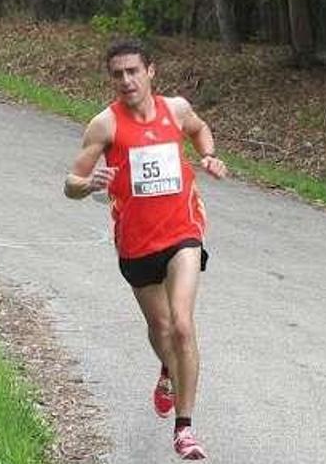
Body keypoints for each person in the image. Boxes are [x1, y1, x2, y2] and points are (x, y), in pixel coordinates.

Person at [64, 40, 227, 460]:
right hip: (136, 243)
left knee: (182, 325)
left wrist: (208, 156)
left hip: (182, 232)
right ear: (110, 79)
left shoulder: (176, 109)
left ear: (151, 71)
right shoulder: (104, 125)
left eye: (133, 71)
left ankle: (185, 429)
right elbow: (71, 183)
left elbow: (199, 129)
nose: (126, 80)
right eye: (117, 74)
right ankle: (167, 368)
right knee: (162, 330)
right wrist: (90, 184)